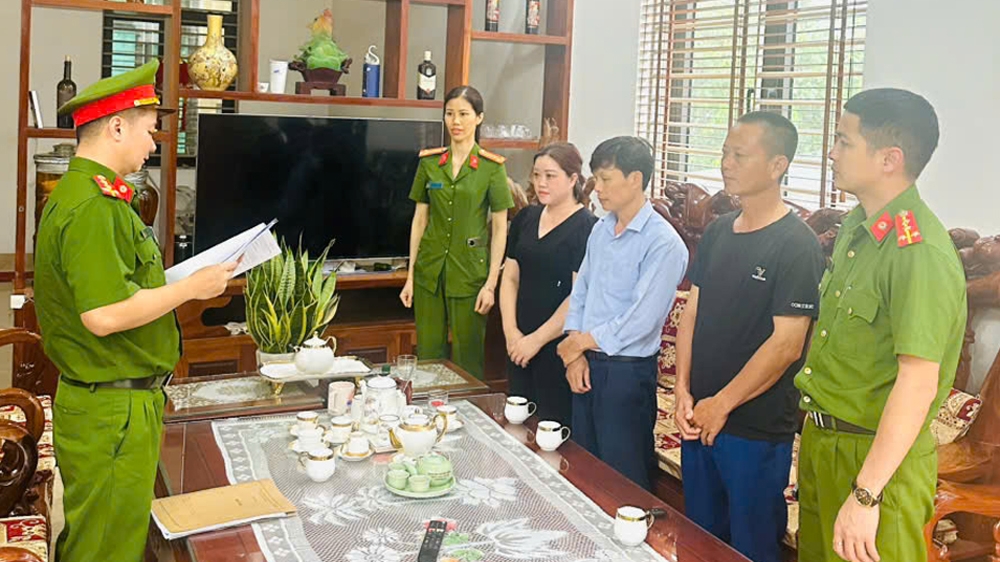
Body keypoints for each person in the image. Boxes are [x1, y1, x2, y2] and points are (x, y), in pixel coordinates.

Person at [33, 60, 236, 561]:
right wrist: (191, 288)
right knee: (105, 547)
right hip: (111, 409)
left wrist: (180, 283)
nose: (152, 144)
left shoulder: (98, 198)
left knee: (109, 536)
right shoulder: (93, 207)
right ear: (117, 127)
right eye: (148, 131)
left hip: (117, 401)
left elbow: (124, 288)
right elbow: (103, 315)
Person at [794, 88, 967, 562]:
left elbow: (917, 381)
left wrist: (867, 494)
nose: (831, 152)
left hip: (876, 460)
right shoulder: (858, 228)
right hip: (824, 441)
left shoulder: (918, 252)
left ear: (890, 159)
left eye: (844, 141)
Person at [674, 112, 825, 562]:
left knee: (750, 547)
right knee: (700, 541)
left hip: (753, 429)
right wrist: (682, 390)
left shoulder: (797, 244)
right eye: (725, 153)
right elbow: (692, 313)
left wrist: (721, 404)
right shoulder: (719, 231)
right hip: (698, 415)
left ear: (778, 165)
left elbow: (786, 345)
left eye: (740, 155)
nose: (727, 164)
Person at [557, 136, 688, 490]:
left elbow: (641, 319)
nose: (596, 188)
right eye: (595, 178)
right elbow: (581, 291)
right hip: (586, 362)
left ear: (635, 179)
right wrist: (575, 352)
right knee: (583, 472)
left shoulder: (663, 243)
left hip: (625, 373)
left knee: (622, 480)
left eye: (605, 179)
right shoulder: (600, 229)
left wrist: (581, 342)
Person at [400, 85, 514, 380]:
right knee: (428, 356)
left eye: (464, 114)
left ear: (479, 118)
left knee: (468, 357)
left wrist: (491, 284)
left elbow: (500, 227)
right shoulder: (429, 163)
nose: (456, 121)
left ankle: (467, 407)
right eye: (450, 114)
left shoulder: (492, 168)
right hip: (429, 271)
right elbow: (419, 220)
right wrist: (410, 277)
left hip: (470, 272)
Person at [500, 143, 597, 426]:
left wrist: (536, 340)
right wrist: (511, 332)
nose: (541, 183)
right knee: (517, 423)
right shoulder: (526, 218)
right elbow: (510, 277)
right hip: (518, 342)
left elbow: (577, 296)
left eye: (550, 176)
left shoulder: (588, 227)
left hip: (557, 345)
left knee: (552, 429)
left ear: (573, 178)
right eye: (536, 175)